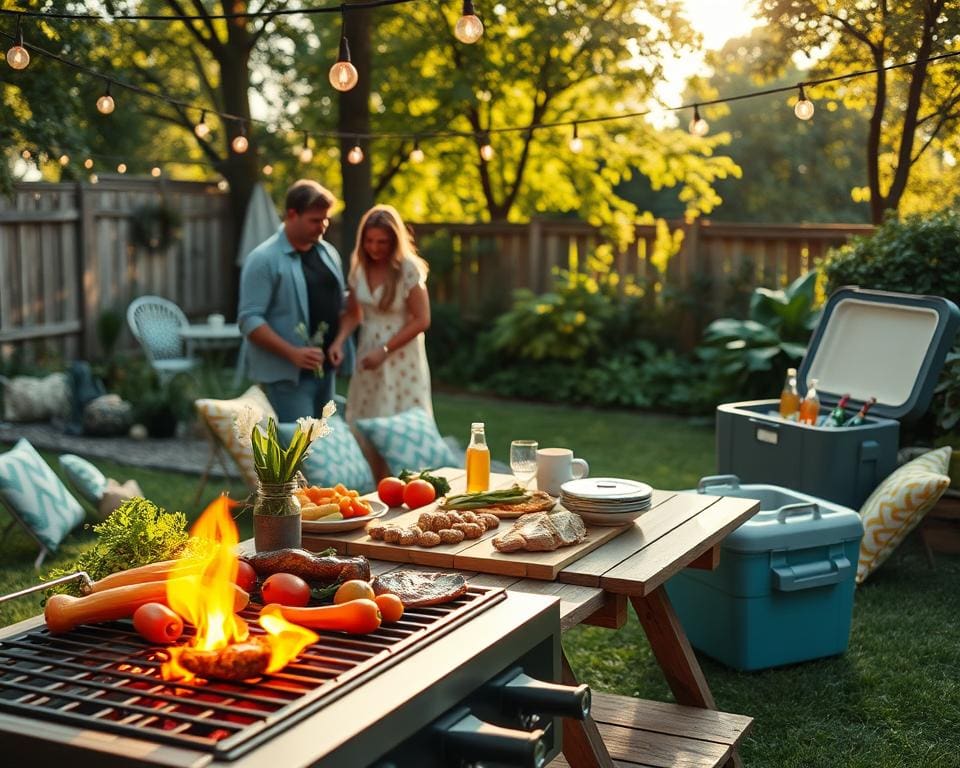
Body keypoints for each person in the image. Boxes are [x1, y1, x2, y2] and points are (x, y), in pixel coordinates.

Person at [237, 179, 346, 421]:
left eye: (326, 219)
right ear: (291, 215)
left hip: (325, 373)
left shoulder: (328, 253)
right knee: (298, 452)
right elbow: (249, 320)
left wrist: (340, 341)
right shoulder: (263, 259)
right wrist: (293, 353)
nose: (323, 226)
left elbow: (340, 303)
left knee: (323, 447)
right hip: (287, 377)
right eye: (315, 220)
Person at [328, 204, 432, 422]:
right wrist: (338, 342)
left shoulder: (408, 269)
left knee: (399, 415)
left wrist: (384, 351)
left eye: (382, 242)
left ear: (394, 241)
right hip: (368, 348)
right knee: (367, 413)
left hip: (401, 354)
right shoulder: (359, 269)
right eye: (369, 241)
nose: (374, 247)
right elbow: (354, 314)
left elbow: (422, 319)